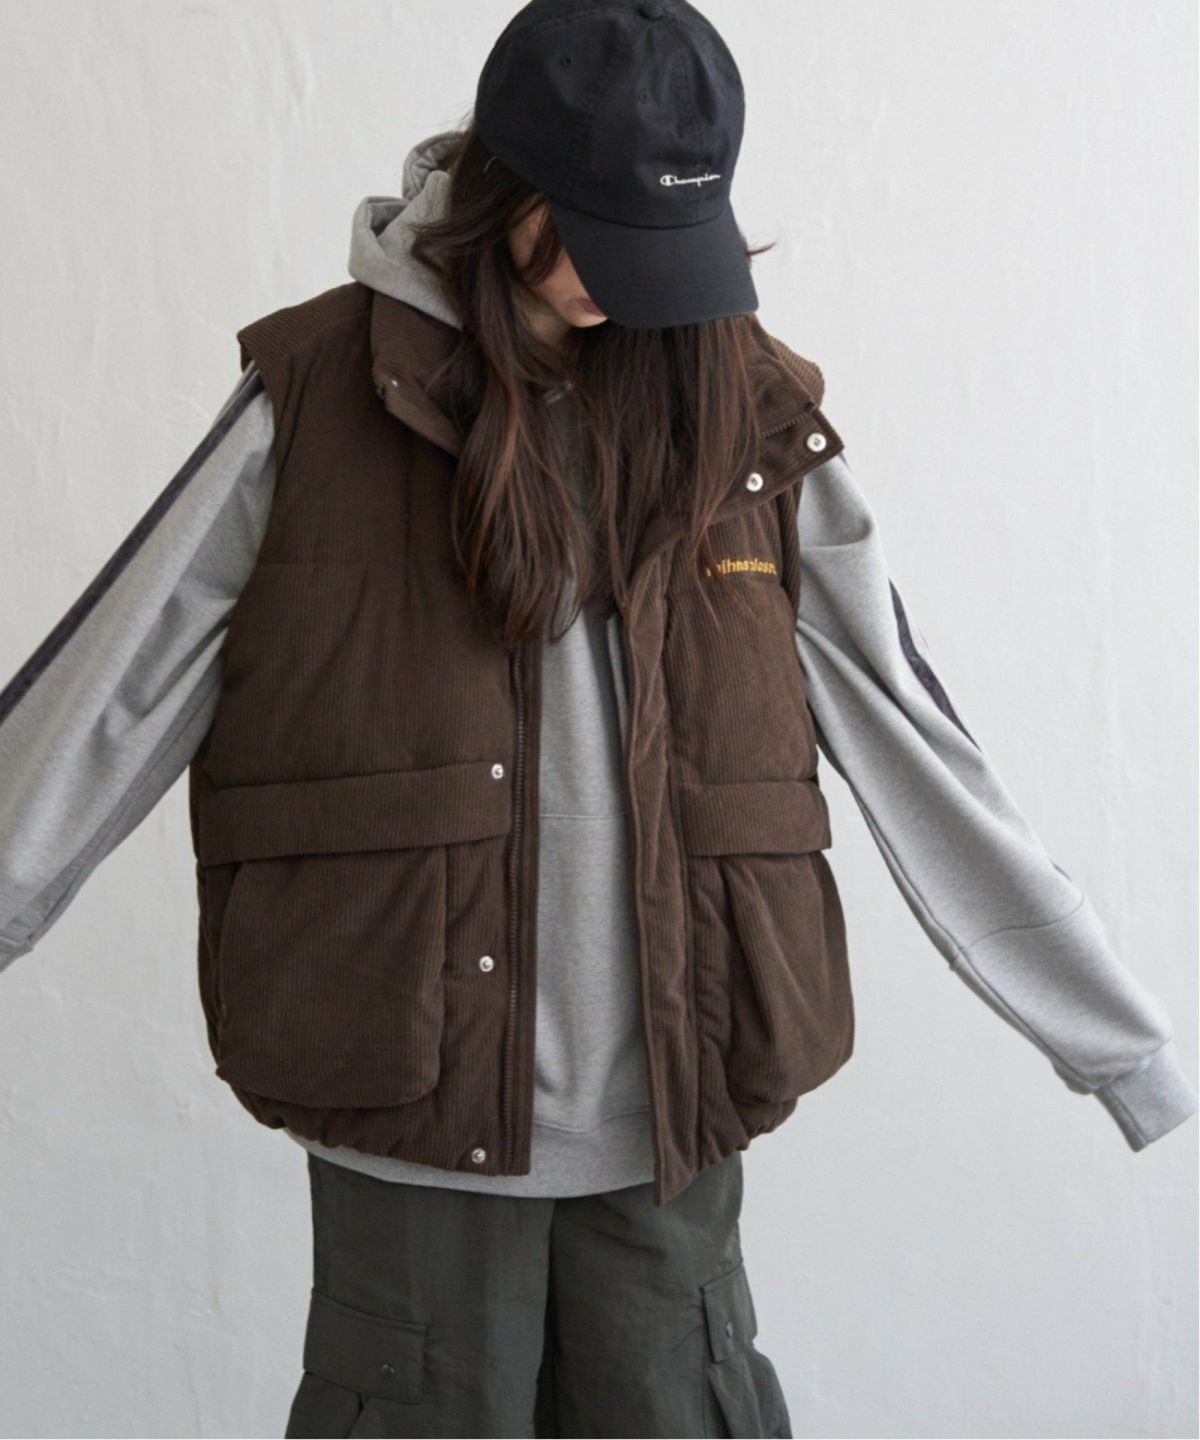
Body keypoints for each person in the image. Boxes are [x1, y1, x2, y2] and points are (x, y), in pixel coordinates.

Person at [0, 2, 1194, 1437]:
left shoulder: (746, 414)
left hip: (675, 1120)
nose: (627, 292)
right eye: (598, 239)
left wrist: (1115, 1042)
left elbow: (913, 736)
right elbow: (104, 700)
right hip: (409, 1116)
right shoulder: (319, 395)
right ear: (501, 191)